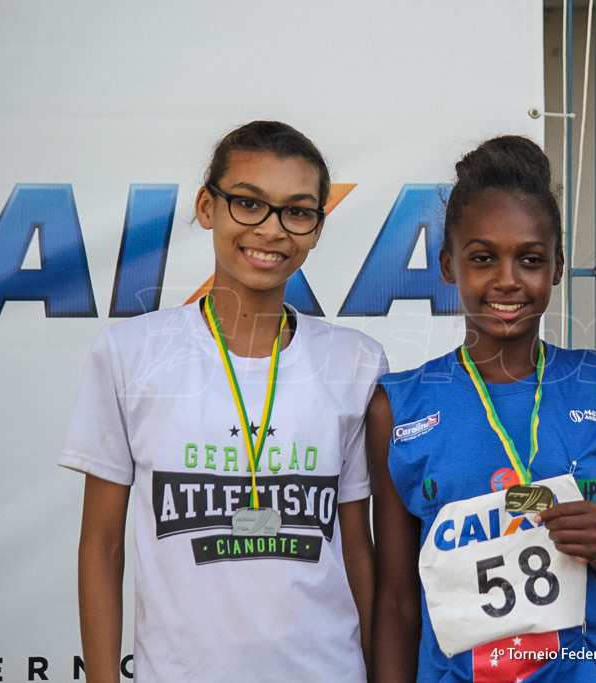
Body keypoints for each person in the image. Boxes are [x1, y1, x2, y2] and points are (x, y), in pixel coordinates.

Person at [60, 121, 386, 682]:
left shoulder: (356, 361)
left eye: (297, 211)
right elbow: (101, 545)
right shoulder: (130, 352)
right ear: (207, 207)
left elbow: (358, 547)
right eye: (249, 204)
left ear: (316, 229)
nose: (272, 229)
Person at [368, 135, 596, 682]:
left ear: (557, 268)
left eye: (529, 259)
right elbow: (399, 599)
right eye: (482, 258)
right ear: (448, 266)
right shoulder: (398, 405)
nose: (506, 280)